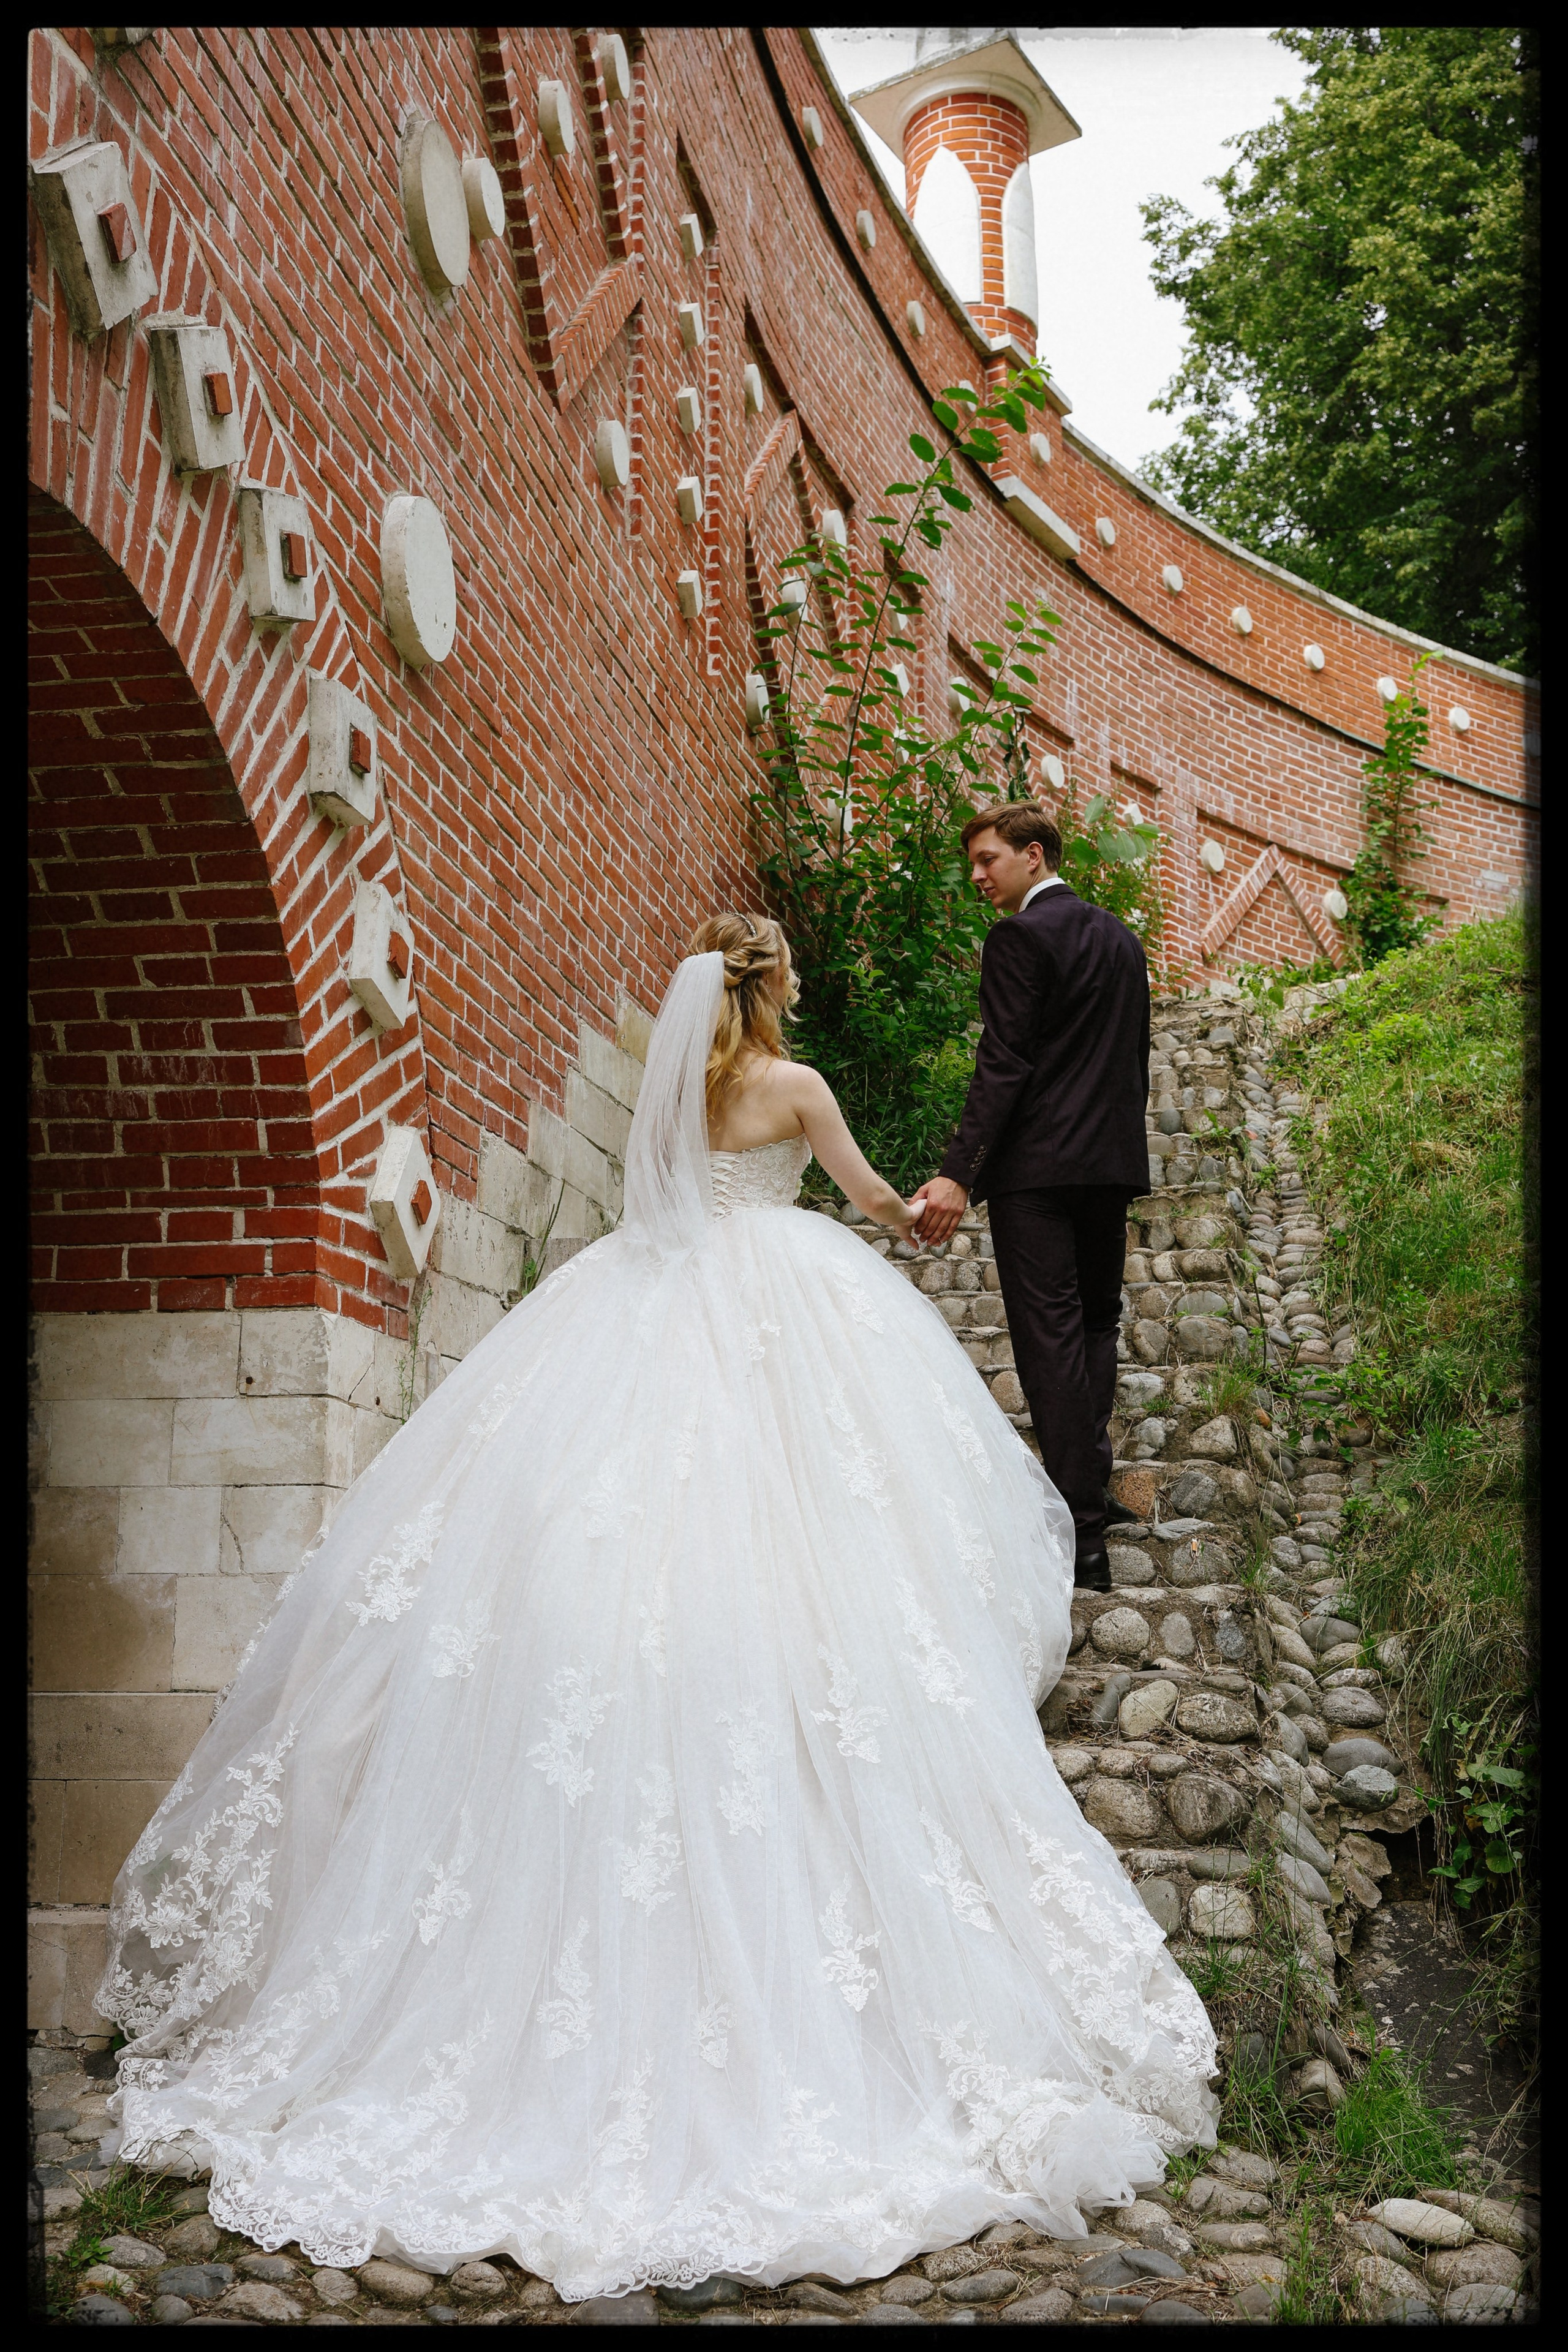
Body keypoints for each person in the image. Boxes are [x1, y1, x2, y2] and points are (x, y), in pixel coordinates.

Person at [97, 913, 1215, 2302]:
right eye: (795, 971)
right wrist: (927, 1208)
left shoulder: (673, 1088)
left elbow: (655, 1208)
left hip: (649, 1305)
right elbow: (872, 1202)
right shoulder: (795, 1090)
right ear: (775, 986)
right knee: (815, 1545)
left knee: (627, 1546)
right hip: (788, 1312)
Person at [911, 803, 1153, 1594]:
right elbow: (1126, 1063)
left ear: (1033, 854)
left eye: (988, 859)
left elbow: (1004, 1063)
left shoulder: (1018, 937)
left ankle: (1081, 1533)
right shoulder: (1121, 938)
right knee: (1095, 1325)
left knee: (1051, 1337)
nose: (977, 875)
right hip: (1107, 1167)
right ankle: (1094, 1488)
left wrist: (959, 1171)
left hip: (1039, 1176)